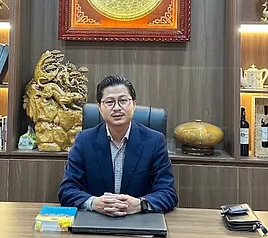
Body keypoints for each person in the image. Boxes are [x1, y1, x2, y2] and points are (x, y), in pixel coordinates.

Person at [58, 75, 178, 215]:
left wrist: (140, 204)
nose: (116, 108)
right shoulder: (84, 141)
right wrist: (93, 203)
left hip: (139, 220)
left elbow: (168, 193)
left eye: (123, 101)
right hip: (96, 219)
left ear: (134, 104)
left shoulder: (154, 141)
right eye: (109, 102)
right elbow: (67, 190)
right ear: (99, 107)